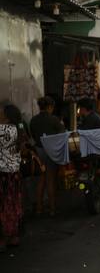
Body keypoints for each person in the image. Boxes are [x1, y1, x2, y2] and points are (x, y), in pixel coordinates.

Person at [30, 96, 65, 216]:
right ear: (50, 107)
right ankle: (52, 209)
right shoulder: (54, 120)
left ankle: (39, 208)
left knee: (41, 180)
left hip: (39, 151)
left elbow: (33, 136)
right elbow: (62, 134)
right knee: (51, 180)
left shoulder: (33, 120)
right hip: (51, 152)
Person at [0, 102, 25, 251]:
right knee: (14, 204)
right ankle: (14, 236)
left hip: (2, 174)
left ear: (7, 117)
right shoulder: (19, 129)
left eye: (2, 112)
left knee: (2, 206)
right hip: (15, 173)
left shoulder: (2, 130)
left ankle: (2, 239)